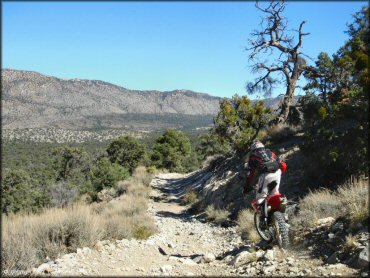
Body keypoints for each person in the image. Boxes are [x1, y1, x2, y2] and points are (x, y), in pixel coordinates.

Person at [243, 141, 287, 227]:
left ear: (252, 149)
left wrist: (248, 187)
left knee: (261, 197)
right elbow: (282, 164)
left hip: (266, 175)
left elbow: (251, 175)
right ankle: (283, 215)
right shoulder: (270, 152)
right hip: (277, 173)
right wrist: (281, 172)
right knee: (275, 193)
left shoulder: (253, 157)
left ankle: (263, 222)